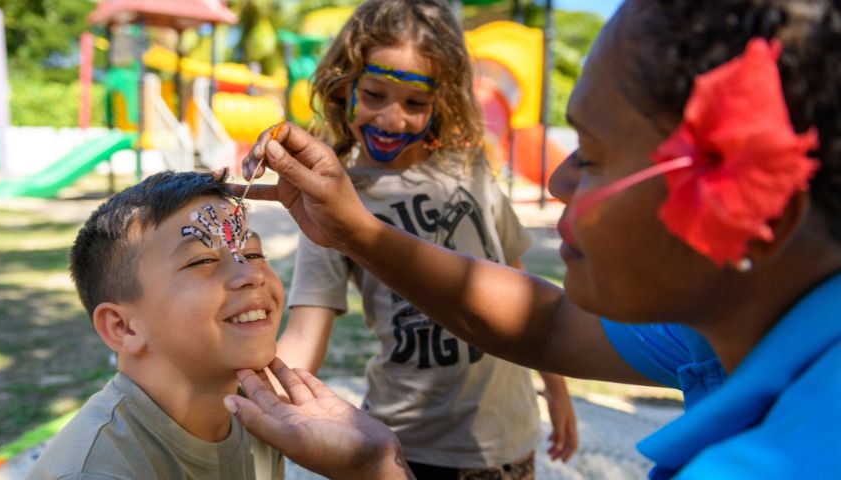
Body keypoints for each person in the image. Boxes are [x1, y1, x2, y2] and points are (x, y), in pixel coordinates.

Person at [225, 0, 841, 478]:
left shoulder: (780, 459)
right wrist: (357, 232)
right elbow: (546, 327)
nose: (557, 178)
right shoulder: (728, 329)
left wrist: (374, 469)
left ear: (756, 202)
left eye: (591, 157)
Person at [272, 1, 577, 478]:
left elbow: (521, 291)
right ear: (343, 87)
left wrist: (555, 389)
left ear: (443, 103)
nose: (393, 120)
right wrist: (266, 400)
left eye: (416, 103)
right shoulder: (330, 202)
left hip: (510, 437)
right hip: (412, 449)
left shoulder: (470, 171)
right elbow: (307, 330)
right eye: (374, 94)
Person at [26, 171, 285, 480]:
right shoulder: (98, 472)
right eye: (202, 260)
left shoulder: (264, 420)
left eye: (253, 253)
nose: (251, 274)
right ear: (123, 328)